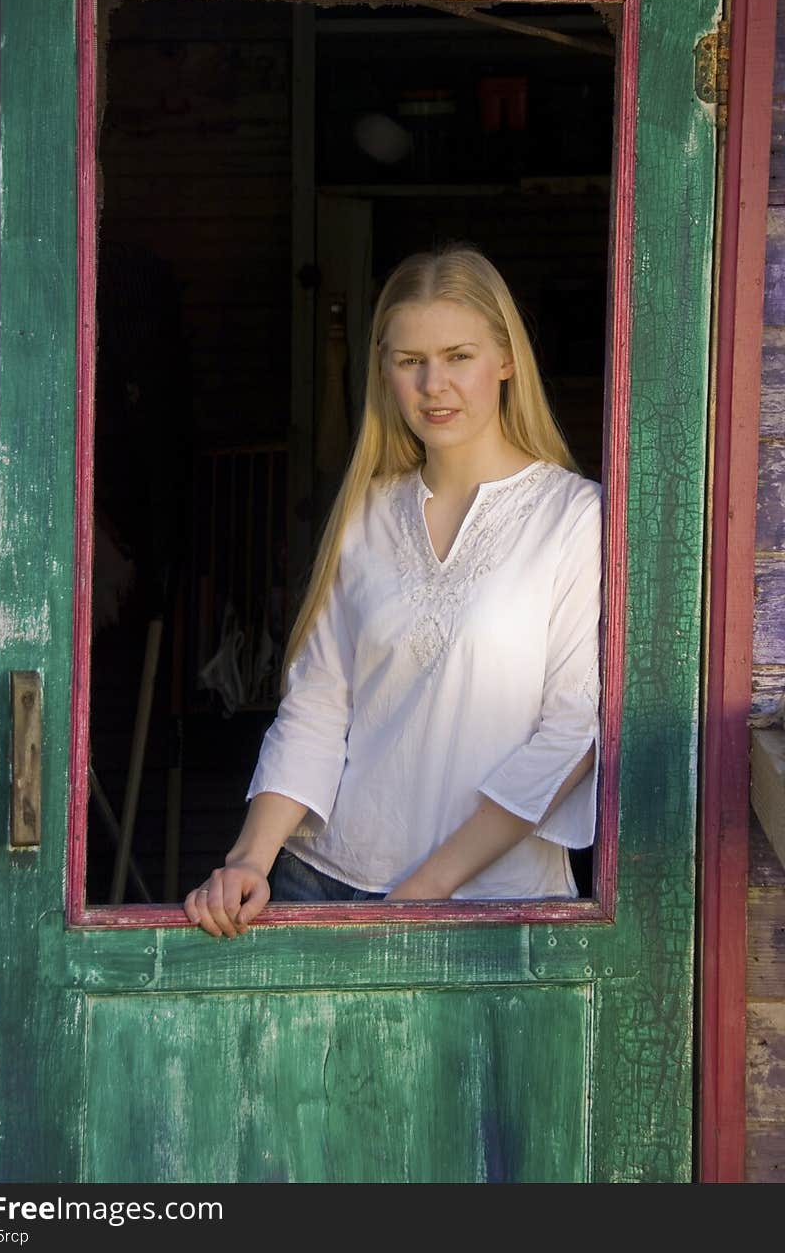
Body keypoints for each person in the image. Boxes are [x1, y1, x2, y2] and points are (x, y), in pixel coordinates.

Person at [184, 244, 602, 937]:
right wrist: (249, 859)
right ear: (385, 371)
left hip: (492, 904)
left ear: (505, 359)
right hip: (322, 882)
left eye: (458, 356)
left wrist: (424, 890)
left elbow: (571, 730)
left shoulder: (573, 517)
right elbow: (319, 702)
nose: (434, 384)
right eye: (411, 362)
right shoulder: (368, 512)